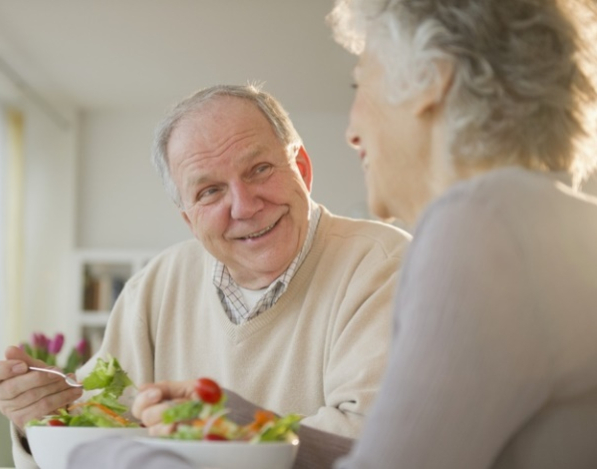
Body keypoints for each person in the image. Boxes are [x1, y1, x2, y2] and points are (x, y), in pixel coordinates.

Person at [69, 0, 597, 467]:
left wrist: (108, 456)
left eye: (360, 83)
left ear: (432, 79)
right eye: (209, 191)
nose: (352, 128)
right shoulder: (550, 220)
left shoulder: (479, 225)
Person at [0, 84, 411, 468]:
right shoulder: (156, 283)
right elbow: (104, 423)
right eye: (210, 191)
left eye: (259, 169)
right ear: (189, 219)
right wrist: (42, 413)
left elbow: (380, 444)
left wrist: (225, 429)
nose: (244, 206)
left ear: (301, 167)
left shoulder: (384, 264)